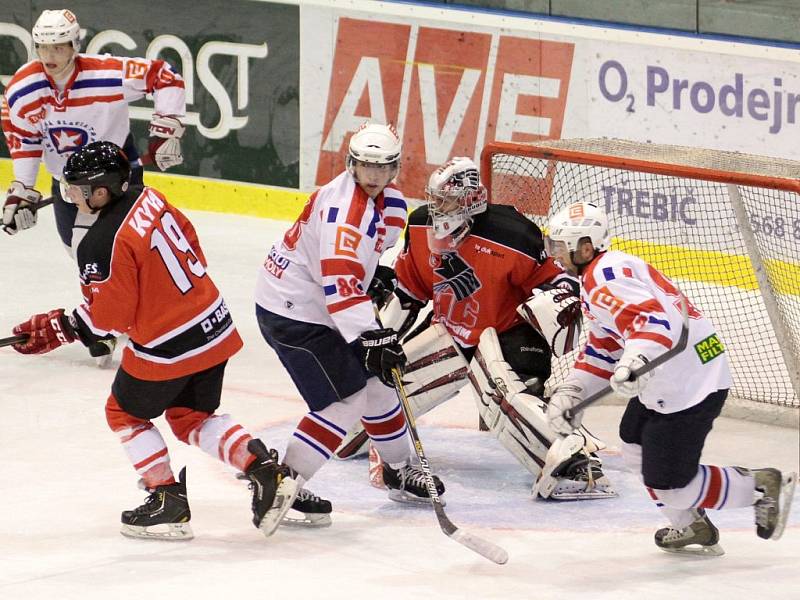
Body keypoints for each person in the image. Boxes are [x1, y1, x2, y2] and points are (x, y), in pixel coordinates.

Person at [9, 141, 296, 541]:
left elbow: (111, 319)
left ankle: (166, 500)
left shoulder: (99, 242)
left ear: (102, 191)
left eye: (77, 190)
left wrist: (61, 326)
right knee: (191, 417)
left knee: (123, 413)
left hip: (170, 343)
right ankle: (264, 470)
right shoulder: (151, 198)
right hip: (214, 323)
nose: (71, 198)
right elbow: (194, 245)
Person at [337, 157, 616, 501]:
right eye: (435, 198)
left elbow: (558, 281)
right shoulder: (421, 225)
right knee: (364, 417)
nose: (438, 207)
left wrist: (558, 302)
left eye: (447, 200)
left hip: (508, 335)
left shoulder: (512, 233)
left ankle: (578, 462)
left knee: (503, 398)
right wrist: (380, 344)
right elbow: (409, 293)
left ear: (470, 200)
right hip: (451, 331)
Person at [545, 200, 797, 555]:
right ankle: (691, 524)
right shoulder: (606, 271)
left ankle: (760, 486)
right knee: (633, 444)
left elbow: (658, 324)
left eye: (559, 246)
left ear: (585, 247)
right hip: (674, 375)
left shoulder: (604, 279)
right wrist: (573, 390)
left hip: (690, 384)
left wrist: (636, 358)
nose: (554, 254)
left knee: (671, 484)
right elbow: (605, 346)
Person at [254, 121, 445, 528]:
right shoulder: (346, 212)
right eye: (365, 166)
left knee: (377, 383)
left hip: (319, 301)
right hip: (295, 312)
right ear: (351, 164)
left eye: (383, 167)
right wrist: (370, 338)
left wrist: (373, 275)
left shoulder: (387, 201)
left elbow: (362, 260)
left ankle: (397, 469)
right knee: (343, 401)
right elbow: (339, 286)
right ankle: (280, 483)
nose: (373, 175)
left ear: (395, 168)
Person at [1, 8, 186, 364]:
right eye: (43, 48)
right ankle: (106, 320)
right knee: (83, 256)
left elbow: (165, 75)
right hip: (68, 187)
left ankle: (128, 321)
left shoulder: (106, 73)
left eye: (58, 47)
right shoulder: (24, 89)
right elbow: (25, 141)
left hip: (117, 183)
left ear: (75, 45)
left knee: (125, 254)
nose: (50, 57)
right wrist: (22, 191)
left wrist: (166, 129)